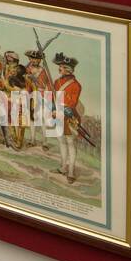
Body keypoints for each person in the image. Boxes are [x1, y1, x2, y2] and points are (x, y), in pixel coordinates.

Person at [52, 54, 82, 184]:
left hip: (70, 116)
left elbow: (72, 102)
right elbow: (52, 97)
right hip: (58, 114)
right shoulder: (57, 82)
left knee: (70, 143)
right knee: (61, 141)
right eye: (60, 66)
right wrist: (53, 108)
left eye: (62, 67)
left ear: (69, 69)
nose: (60, 69)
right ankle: (63, 167)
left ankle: (71, 172)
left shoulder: (76, 85)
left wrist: (59, 103)